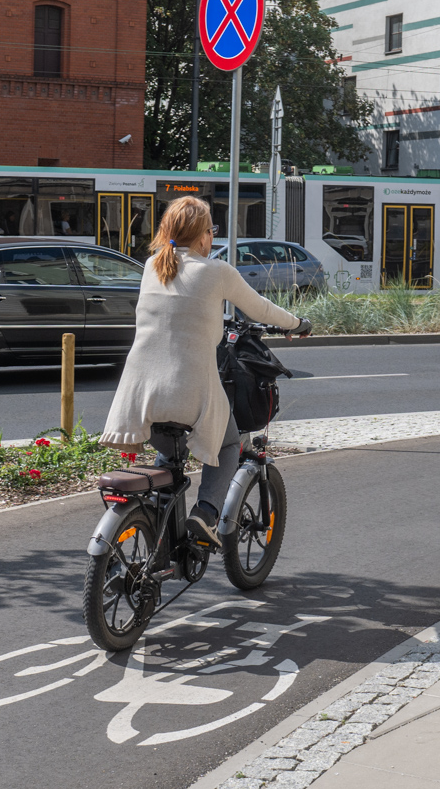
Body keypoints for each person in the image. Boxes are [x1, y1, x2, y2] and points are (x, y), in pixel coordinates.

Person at [100, 196, 311, 548]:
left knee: (168, 452)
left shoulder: (152, 265)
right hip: (188, 391)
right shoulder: (216, 271)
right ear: (202, 236)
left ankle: (156, 528)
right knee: (228, 442)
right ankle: (207, 513)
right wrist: (298, 324)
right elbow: (261, 309)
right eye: (211, 229)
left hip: (139, 395)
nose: (212, 236)